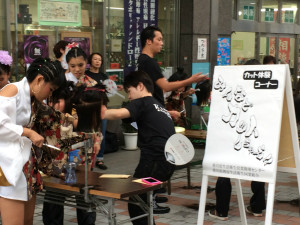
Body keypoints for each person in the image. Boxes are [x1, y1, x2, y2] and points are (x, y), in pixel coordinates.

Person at [42, 47, 106, 225]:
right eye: (73, 65)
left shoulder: (93, 85)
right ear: (67, 65)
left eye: (81, 64)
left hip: (85, 140)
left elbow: (96, 117)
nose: (77, 69)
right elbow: (51, 114)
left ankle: (87, 222)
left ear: (86, 62)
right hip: (60, 140)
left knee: (84, 185)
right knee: (56, 184)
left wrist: (97, 139)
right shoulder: (58, 84)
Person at [103, 70, 176, 224]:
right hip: (167, 163)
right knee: (143, 202)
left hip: (153, 161)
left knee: (137, 203)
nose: (129, 97)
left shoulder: (142, 102)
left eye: (129, 91)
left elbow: (118, 114)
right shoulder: (157, 104)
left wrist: (98, 112)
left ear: (140, 86)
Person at [0, 57, 64, 225]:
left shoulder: (31, 97)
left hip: (24, 164)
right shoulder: (12, 90)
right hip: (7, 165)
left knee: (27, 220)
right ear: (40, 80)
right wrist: (28, 132)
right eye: (51, 89)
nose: (50, 94)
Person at [208, 59, 266, 221]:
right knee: (258, 169)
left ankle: (222, 211)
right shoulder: (265, 92)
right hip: (256, 136)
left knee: (224, 171)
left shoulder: (236, 88)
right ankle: (257, 207)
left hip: (233, 136)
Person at [138, 26, 208, 107]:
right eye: (159, 39)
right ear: (149, 41)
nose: (162, 43)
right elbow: (166, 86)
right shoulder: (149, 62)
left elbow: (161, 89)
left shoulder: (142, 59)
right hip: (153, 110)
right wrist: (190, 80)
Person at [86, 53, 108, 169]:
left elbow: (108, 92)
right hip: (89, 108)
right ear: (90, 61)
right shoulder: (85, 75)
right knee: (89, 133)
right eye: (95, 59)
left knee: (101, 133)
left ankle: (100, 159)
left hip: (101, 108)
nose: (97, 61)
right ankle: (89, 158)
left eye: (100, 59)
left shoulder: (104, 77)